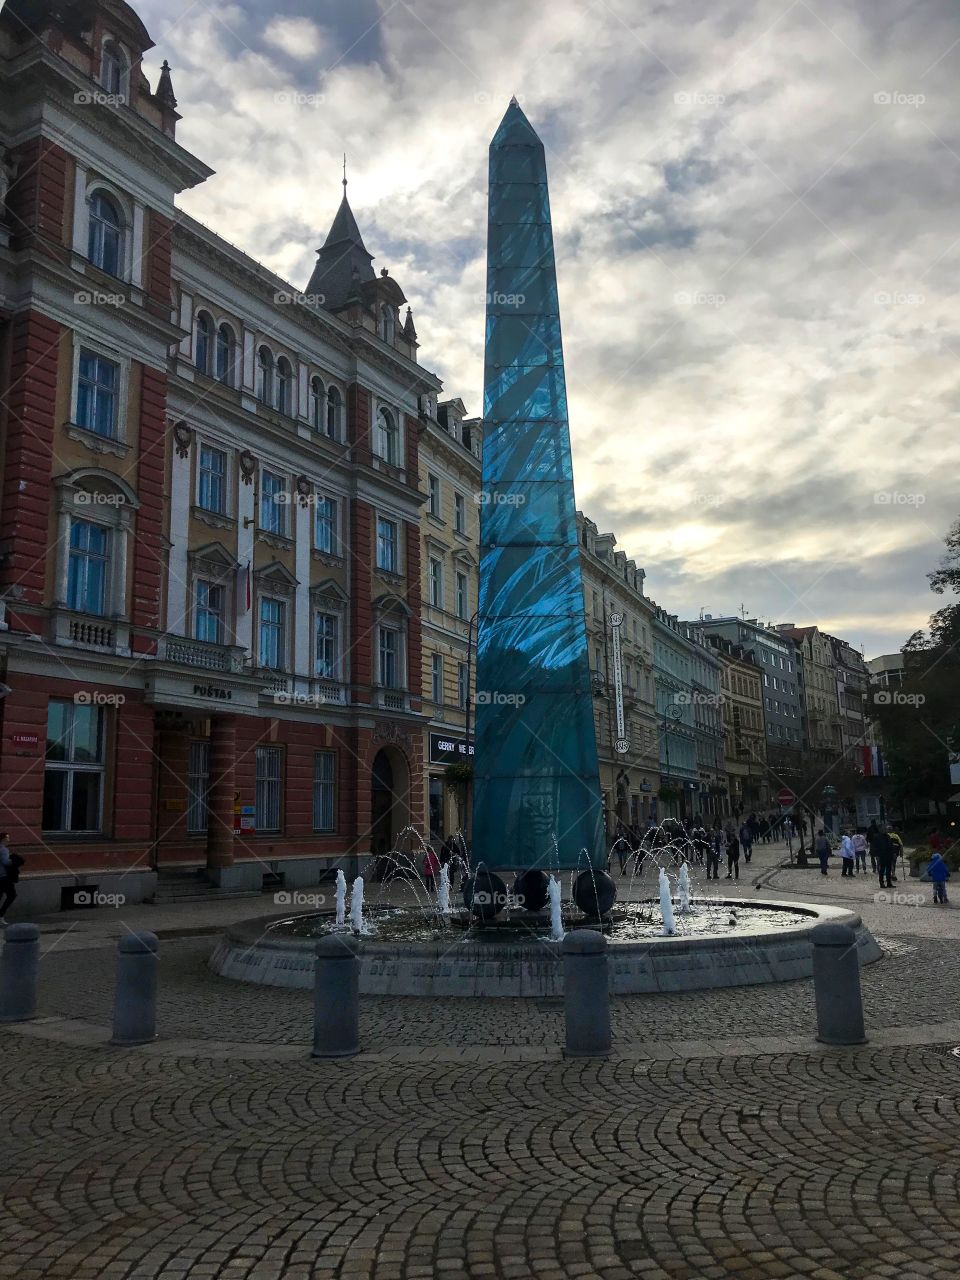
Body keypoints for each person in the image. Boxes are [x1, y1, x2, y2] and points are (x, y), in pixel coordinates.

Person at [0, 834, 21, 922]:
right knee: (12, 895)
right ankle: (1, 914)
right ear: (3, 839)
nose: (9, 839)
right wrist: (15, 861)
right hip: (4, 876)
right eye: (7, 838)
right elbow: (6, 862)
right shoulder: (3, 849)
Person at [873, 823, 895, 890]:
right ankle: (881, 882)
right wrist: (877, 855)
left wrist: (893, 853)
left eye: (885, 829)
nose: (885, 829)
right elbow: (875, 847)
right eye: (884, 828)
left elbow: (890, 844)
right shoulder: (877, 836)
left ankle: (889, 882)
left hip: (888, 854)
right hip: (881, 855)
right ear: (880, 829)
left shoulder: (888, 836)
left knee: (889, 869)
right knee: (882, 869)